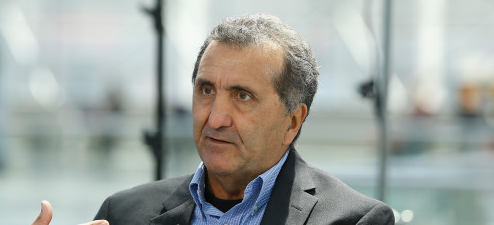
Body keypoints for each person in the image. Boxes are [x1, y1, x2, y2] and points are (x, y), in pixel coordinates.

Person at [32, 13, 394, 225]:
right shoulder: (124, 214)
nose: (216, 118)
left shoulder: (355, 221)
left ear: (292, 121)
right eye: (206, 90)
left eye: (242, 96)